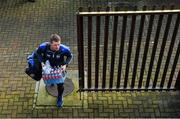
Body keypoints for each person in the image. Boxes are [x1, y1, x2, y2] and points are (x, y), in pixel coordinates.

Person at [26, 34, 73, 108]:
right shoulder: (43, 47)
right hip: (48, 68)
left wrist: (65, 65)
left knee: (60, 85)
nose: (57, 47)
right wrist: (41, 62)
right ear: (50, 43)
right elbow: (37, 53)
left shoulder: (64, 49)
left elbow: (70, 56)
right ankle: (51, 83)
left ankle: (60, 97)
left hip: (58, 69)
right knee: (47, 78)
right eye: (55, 45)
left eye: (58, 44)